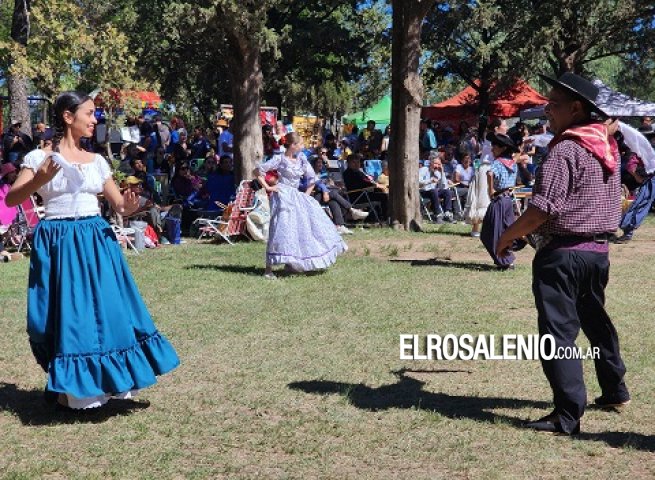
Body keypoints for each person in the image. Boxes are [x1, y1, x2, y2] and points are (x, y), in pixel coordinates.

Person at [5, 91, 179, 410]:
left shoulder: (97, 161)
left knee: (109, 311)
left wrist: (129, 203)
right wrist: (39, 180)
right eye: (89, 113)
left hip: (96, 240)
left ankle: (110, 382)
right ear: (68, 117)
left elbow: (119, 206)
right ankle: (72, 389)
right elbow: (12, 199)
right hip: (59, 240)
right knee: (70, 315)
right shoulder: (38, 159)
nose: (94, 119)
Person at [497, 73, 629, 435]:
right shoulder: (605, 146)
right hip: (597, 253)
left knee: (558, 335)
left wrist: (506, 236)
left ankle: (566, 415)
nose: (545, 112)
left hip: (564, 255)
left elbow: (542, 209)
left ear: (575, 108)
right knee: (595, 321)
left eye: (552, 105)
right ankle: (615, 389)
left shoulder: (566, 148)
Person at [256, 132, 347, 278]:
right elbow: (258, 171)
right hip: (282, 195)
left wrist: (306, 195)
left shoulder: (302, 159)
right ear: (293, 145)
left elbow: (312, 179)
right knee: (280, 228)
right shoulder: (280, 159)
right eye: (299, 144)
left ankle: (292, 263)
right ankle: (269, 268)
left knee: (297, 228)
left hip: (296, 196)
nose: (302, 147)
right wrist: (268, 187)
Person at [480, 132, 518, 270]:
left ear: (502, 148)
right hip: (508, 200)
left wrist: (490, 190)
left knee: (489, 233)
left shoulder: (497, 162)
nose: (492, 149)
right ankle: (508, 259)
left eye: (494, 146)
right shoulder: (513, 163)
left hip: (499, 199)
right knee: (505, 231)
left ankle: (505, 261)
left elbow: (489, 173)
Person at [307, 155, 369, 234]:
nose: (320, 164)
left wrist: (333, 184)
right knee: (333, 193)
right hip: (315, 196)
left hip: (327, 195)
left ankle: (340, 226)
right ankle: (352, 210)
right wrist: (325, 189)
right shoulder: (310, 174)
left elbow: (328, 184)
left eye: (321, 163)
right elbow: (315, 186)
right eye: (318, 163)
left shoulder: (324, 174)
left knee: (333, 201)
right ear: (313, 164)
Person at [614, 126, 655, 243]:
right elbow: (631, 166)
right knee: (639, 205)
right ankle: (627, 231)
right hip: (649, 181)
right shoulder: (638, 151)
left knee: (642, 205)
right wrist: (638, 178)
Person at [343, 153, 389, 222]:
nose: (356, 164)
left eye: (358, 162)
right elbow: (360, 184)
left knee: (380, 192)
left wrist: (374, 185)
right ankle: (384, 218)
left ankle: (375, 218)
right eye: (354, 162)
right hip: (356, 196)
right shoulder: (348, 173)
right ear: (348, 163)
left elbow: (366, 181)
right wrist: (374, 185)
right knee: (383, 197)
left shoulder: (358, 172)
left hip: (363, 193)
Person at [419, 153, 455, 223]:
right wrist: (430, 181)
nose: (437, 166)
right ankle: (438, 215)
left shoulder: (438, 173)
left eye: (439, 164)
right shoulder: (424, 169)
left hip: (433, 192)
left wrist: (442, 172)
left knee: (447, 192)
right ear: (430, 163)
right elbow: (418, 181)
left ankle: (447, 213)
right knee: (434, 191)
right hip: (423, 191)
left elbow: (444, 186)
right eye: (435, 163)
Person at [463, 153, 492, 237]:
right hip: (485, 166)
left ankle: (492, 228)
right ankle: (476, 227)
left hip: (498, 164)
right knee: (482, 197)